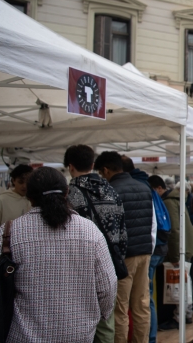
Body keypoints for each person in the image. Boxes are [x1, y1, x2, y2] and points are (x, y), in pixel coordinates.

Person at [0, 167, 116, 342]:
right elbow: (108, 287)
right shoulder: (91, 232)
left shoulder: (9, 232)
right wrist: (100, 315)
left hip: (22, 335)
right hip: (78, 335)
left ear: (29, 196)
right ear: (67, 192)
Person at [64, 145, 127, 343]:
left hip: (79, 266)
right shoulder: (111, 191)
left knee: (80, 320)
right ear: (93, 165)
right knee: (106, 322)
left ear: (69, 166)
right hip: (109, 265)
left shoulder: (69, 195)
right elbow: (123, 233)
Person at [95, 151, 153, 343]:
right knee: (141, 305)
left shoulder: (111, 190)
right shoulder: (144, 188)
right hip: (144, 251)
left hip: (123, 256)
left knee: (120, 308)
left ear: (105, 170)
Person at [120, 155, 170, 343]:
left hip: (138, 251)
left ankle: (149, 338)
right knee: (143, 300)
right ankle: (149, 338)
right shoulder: (146, 186)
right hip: (151, 249)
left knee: (133, 302)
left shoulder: (130, 188)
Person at [148, 176, 193, 330]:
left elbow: (175, 230)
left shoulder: (169, 202)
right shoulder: (175, 199)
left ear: (158, 188)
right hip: (184, 247)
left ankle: (180, 317)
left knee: (180, 284)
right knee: (184, 282)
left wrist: (177, 255)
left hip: (180, 249)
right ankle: (186, 314)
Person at [0, 164, 32, 239]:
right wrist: (5, 235)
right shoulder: (1, 200)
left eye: (27, 182)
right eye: (21, 182)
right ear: (13, 181)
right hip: (8, 247)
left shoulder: (35, 200)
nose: (24, 186)